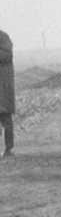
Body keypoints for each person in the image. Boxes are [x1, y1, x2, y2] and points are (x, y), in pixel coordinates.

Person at [0, 27, 13, 158]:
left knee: (6, 120)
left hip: (3, 90)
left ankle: (8, 149)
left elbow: (7, 55)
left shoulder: (3, 37)